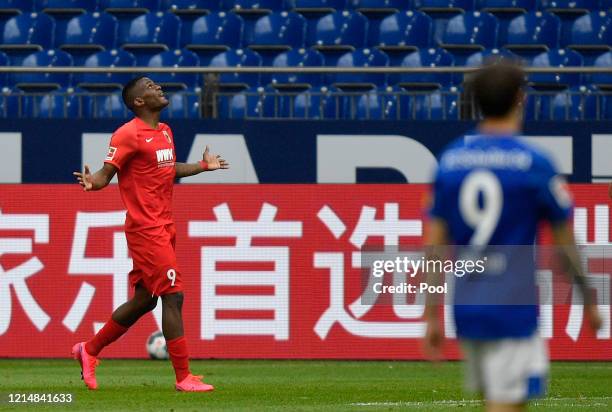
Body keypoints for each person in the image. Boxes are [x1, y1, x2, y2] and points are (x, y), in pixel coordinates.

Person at [423, 62, 602, 411]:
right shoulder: (533, 162)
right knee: (507, 405)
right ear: (520, 99)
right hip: (512, 308)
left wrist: (432, 315)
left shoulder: (450, 162)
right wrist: (590, 300)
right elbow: (565, 244)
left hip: (468, 308)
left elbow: (435, 246)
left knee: (499, 401)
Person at [72, 76, 229, 392]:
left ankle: (88, 350)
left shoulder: (165, 132)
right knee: (174, 295)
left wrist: (201, 166)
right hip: (146, 229)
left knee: (145, 300)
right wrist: (94, 183)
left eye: (156, 84)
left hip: (165, 225)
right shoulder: (127, 134)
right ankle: (183, 377)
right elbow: (106, 174)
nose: (158, 87)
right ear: (138, 102)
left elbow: (168, 170)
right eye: (149, 86)